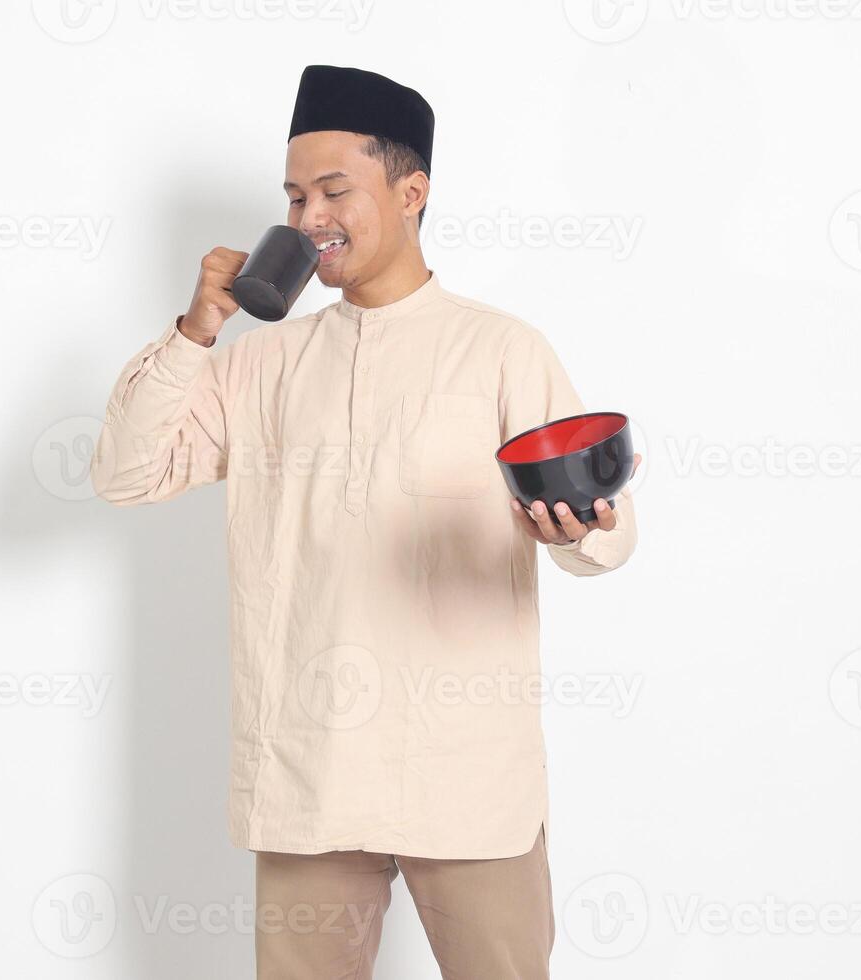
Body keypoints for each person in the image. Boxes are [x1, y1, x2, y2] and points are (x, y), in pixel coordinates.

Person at [91, 63, 641, 980]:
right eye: (296, 196)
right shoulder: (257, 364)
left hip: (466, 778)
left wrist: (574, 531)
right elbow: (124, 474)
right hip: (307, 773)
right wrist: (198, 330)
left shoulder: (501, 349)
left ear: (412, 191)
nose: (309, 219)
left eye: (334, 192)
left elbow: (611, 534)